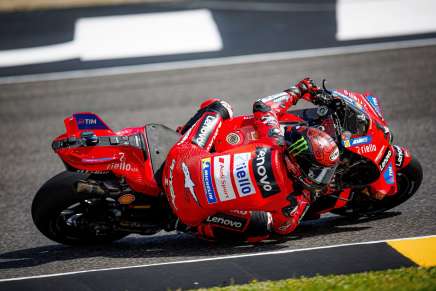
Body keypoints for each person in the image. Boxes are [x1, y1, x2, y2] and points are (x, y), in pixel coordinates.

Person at [162, 78, 340, 241]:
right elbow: (285, 228)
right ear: (297, 165)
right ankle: (197, 228)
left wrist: (298, 90)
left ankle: (181, 134)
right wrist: (310, 195)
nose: (321, 178)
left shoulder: (273, 140)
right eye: (318, 172)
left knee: (220, 106)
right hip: (188, 213)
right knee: (264, 226)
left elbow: (263, 106)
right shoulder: (290, 204)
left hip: (178, 162)